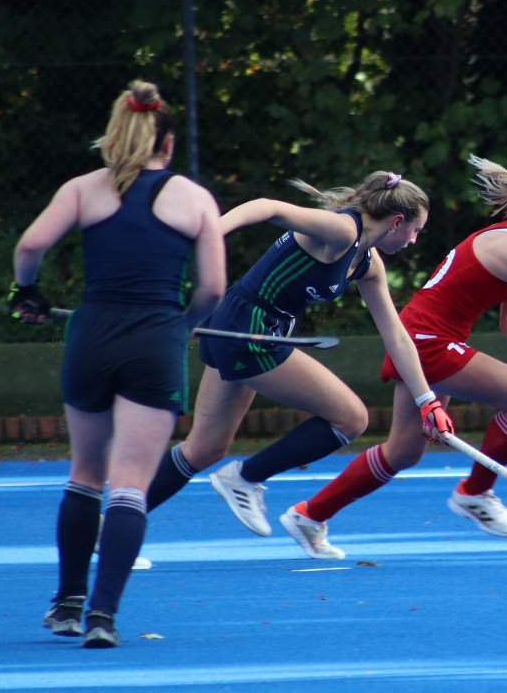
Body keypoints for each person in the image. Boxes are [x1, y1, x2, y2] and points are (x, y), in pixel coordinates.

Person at [281, 154, 507, 556]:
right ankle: (475, 493)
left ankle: (309, 514)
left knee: (403, 451)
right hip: (428, 340)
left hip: (425, 336)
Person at [10, 81, 227, 648]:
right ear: (169, 142)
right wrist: (182, 323)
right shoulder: (194, 198)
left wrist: (27, 294)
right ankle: (103, 617)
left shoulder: (83, 188)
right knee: (130, 484)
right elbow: (211, 286)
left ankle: (66, 604)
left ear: (114, 133)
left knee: (85, 473)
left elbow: (30, 247)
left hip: (92, 334)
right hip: (154, 339)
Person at [144, 171, 454, 561]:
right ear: (396, 221)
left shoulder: (367, 264)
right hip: (249, 326)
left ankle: (112, 529)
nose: (413, 240)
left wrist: (427, 400)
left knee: (203, 448)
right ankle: (245, 477)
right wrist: (207, 236)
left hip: (247, 327)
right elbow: (267, 208)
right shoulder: (341, 230)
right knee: (351, 418)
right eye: (415, 230)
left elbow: (396, 337)